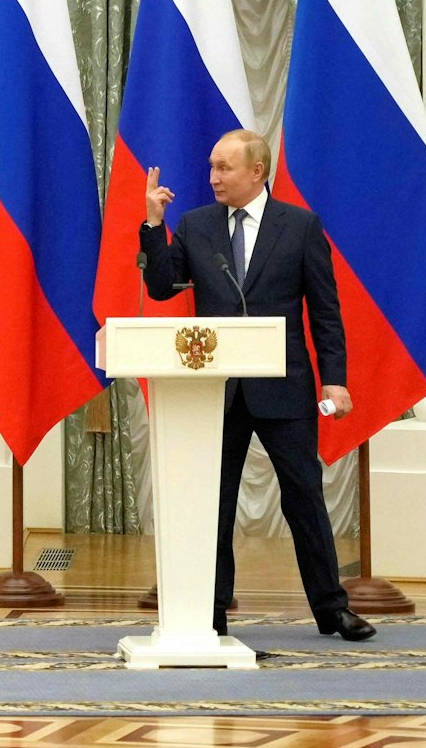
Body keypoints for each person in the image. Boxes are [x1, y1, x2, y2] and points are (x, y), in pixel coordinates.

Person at [140, 128, 374, 642]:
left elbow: (326, 313)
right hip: (215, 390)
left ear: (257, 171)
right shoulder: (197, 225)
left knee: (304, 498)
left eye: (224, 168)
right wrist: (154, 225)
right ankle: (212, 612)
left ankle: (332, 609)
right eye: (211, 167)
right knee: (214, 502)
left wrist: (334, 379)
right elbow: (160, 288)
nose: (213, 178)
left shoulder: (301, 226)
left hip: (284, 386)